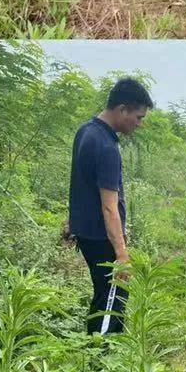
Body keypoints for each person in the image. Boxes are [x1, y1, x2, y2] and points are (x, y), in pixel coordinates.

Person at [67, 78, 153, 336]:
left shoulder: (86, 130)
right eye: (138, 117)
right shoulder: (106, 146)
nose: (139, 124)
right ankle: (100, 359)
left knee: (104, 293)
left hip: (87, 232)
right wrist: (121, 253)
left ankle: (98, 351)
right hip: (101, 236)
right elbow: (109, 208)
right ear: (122, 109)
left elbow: (80, 183)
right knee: (112, 298)